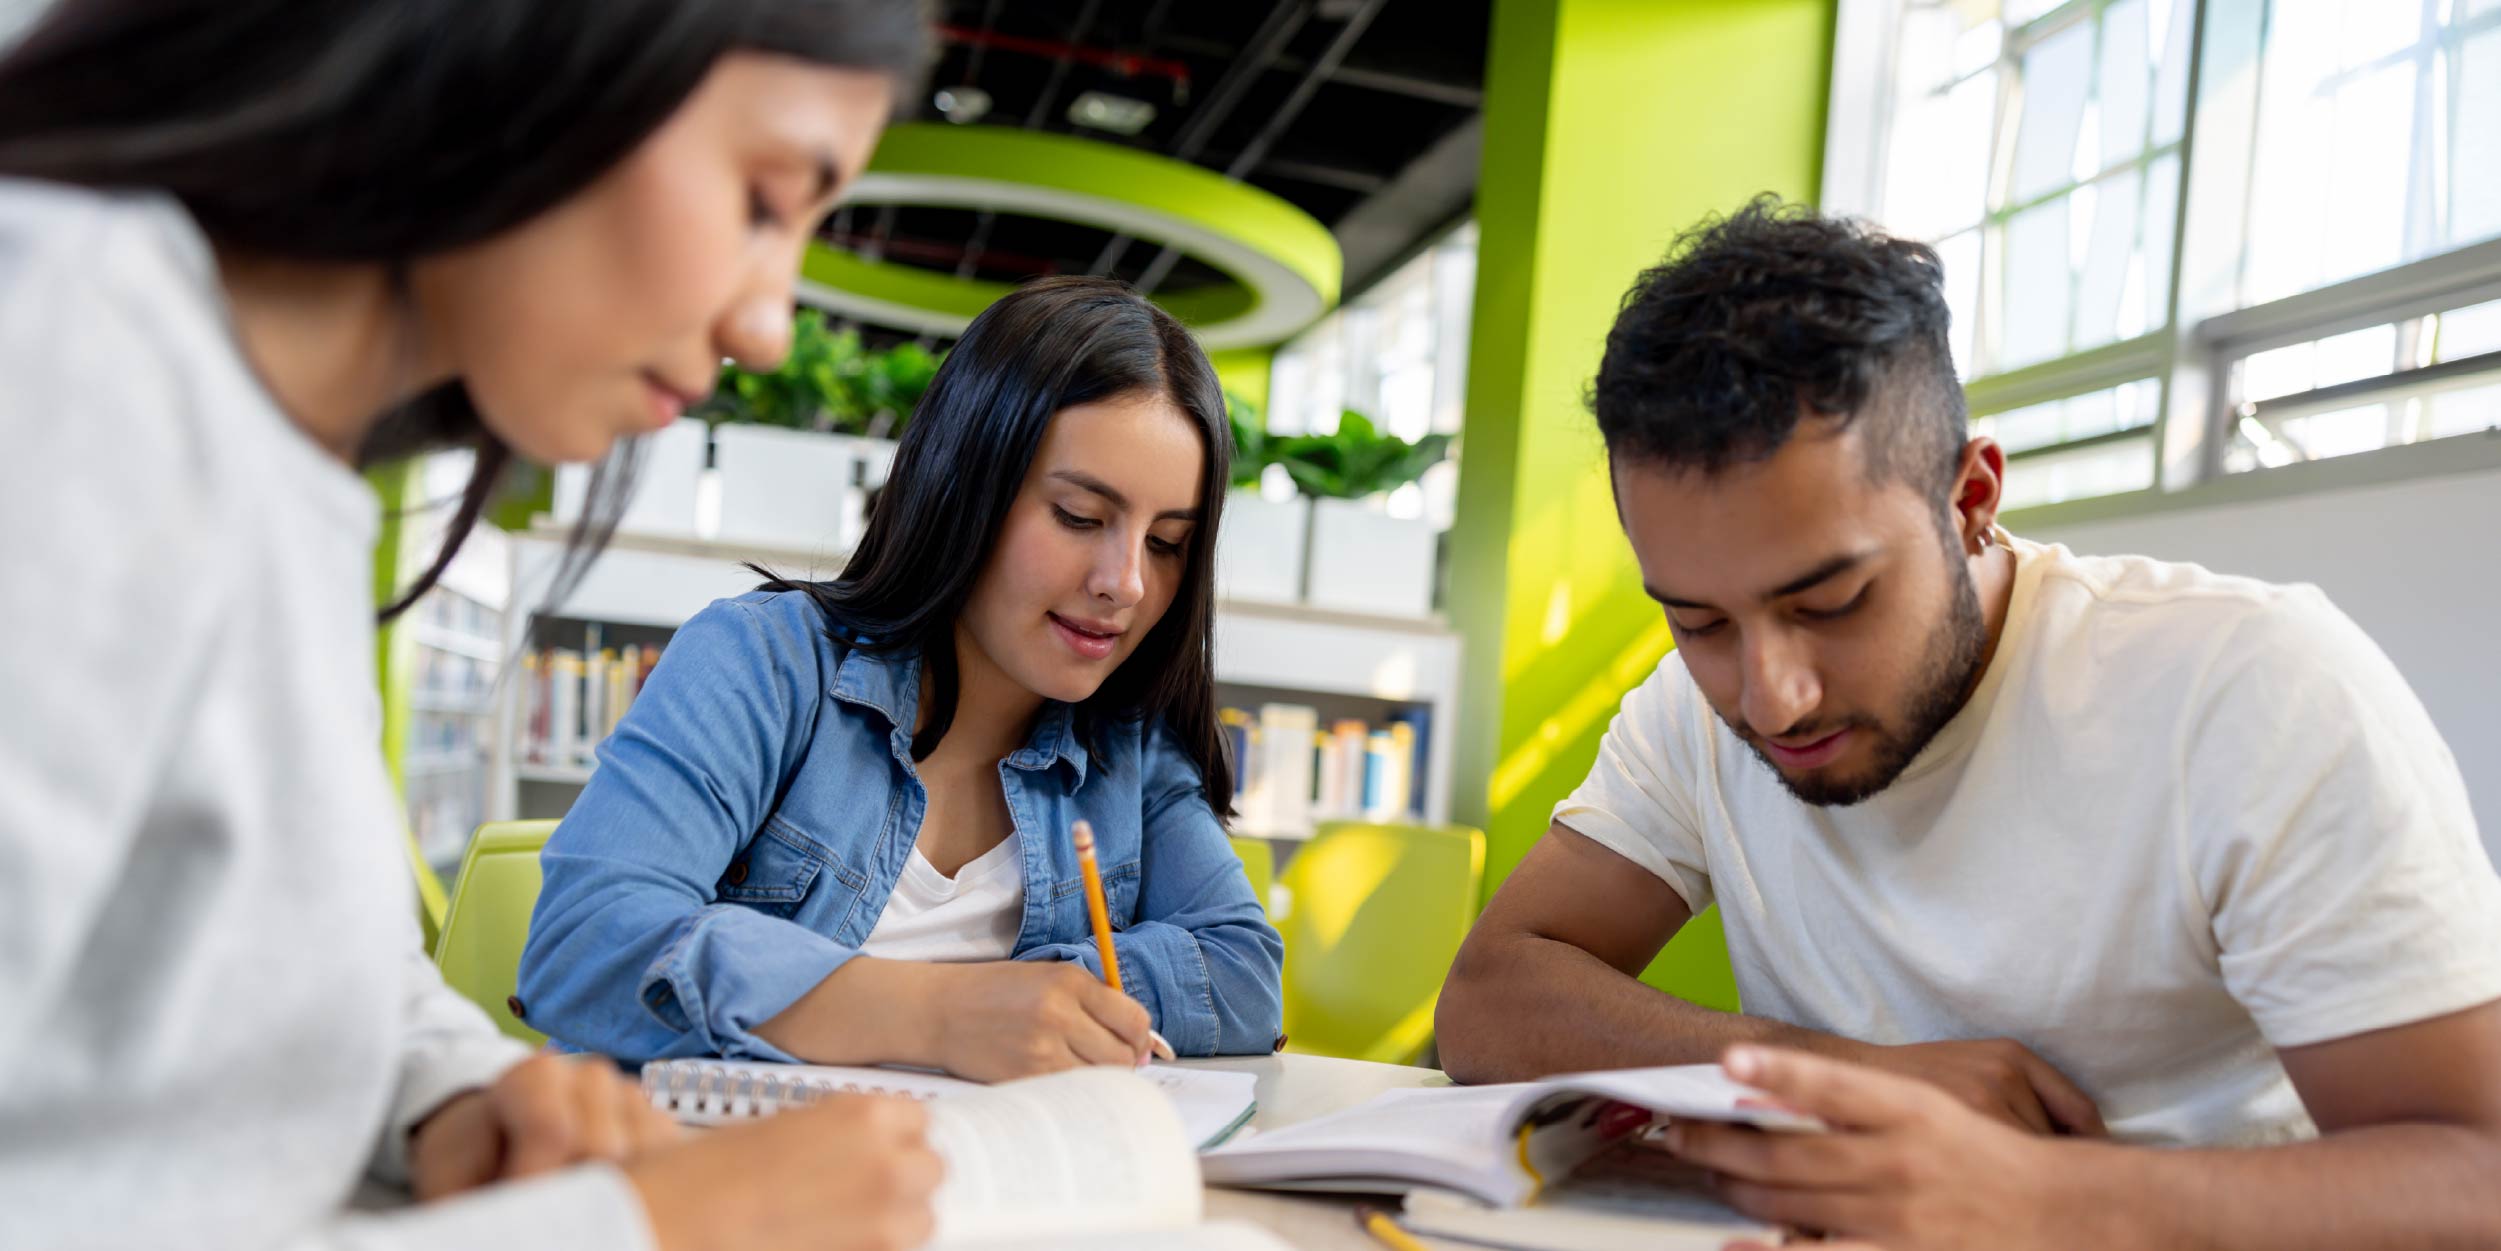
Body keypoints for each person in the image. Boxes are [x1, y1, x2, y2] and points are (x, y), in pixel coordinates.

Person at [0, 3, 952, 1249]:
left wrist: (446, 1098)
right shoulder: (64, 357)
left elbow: (269, 958)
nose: (766, 328)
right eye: (764, 201)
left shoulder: (282, 477)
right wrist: (644, 1228)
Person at [1434, 198, 2501, 1246]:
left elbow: (2475, 1174)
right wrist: (1843, 1078)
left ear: (1969, 498)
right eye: (1697, 620)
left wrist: (2044, 1199)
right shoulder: (1690, 711)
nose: (1769, 698)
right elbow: (1490, 995)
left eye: (1830, 601)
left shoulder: (2244, 689)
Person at [519, 276, 1285, 1078]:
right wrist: (942, 1013)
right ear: (963, 489)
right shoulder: (763, 662)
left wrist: (1043, 999)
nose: (1124, 583)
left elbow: (1244, 974)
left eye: (1165, 544)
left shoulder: (1128, 745)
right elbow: (582, 945)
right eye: (1079, 517)